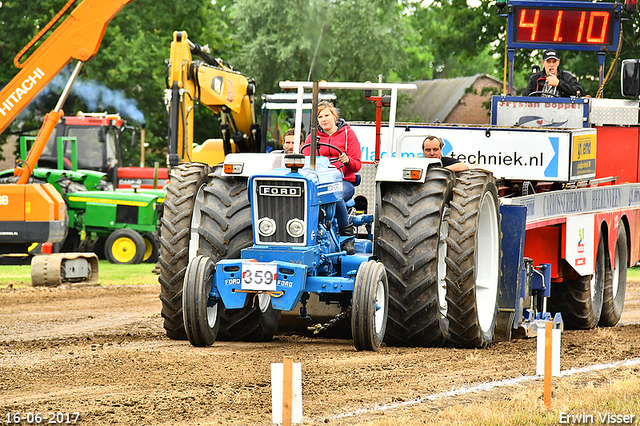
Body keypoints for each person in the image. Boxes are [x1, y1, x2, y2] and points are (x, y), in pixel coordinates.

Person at [302, 101, 361, 254]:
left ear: (334, 116)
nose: (323, 119)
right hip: (319, 183)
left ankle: (347, 238)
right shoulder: (312, 138)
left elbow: (356, 165)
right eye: (320, 117)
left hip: (344, 182)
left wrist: (347, 160)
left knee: (336, 194)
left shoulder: (348, 135)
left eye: (327, 115)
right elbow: (306, 161)